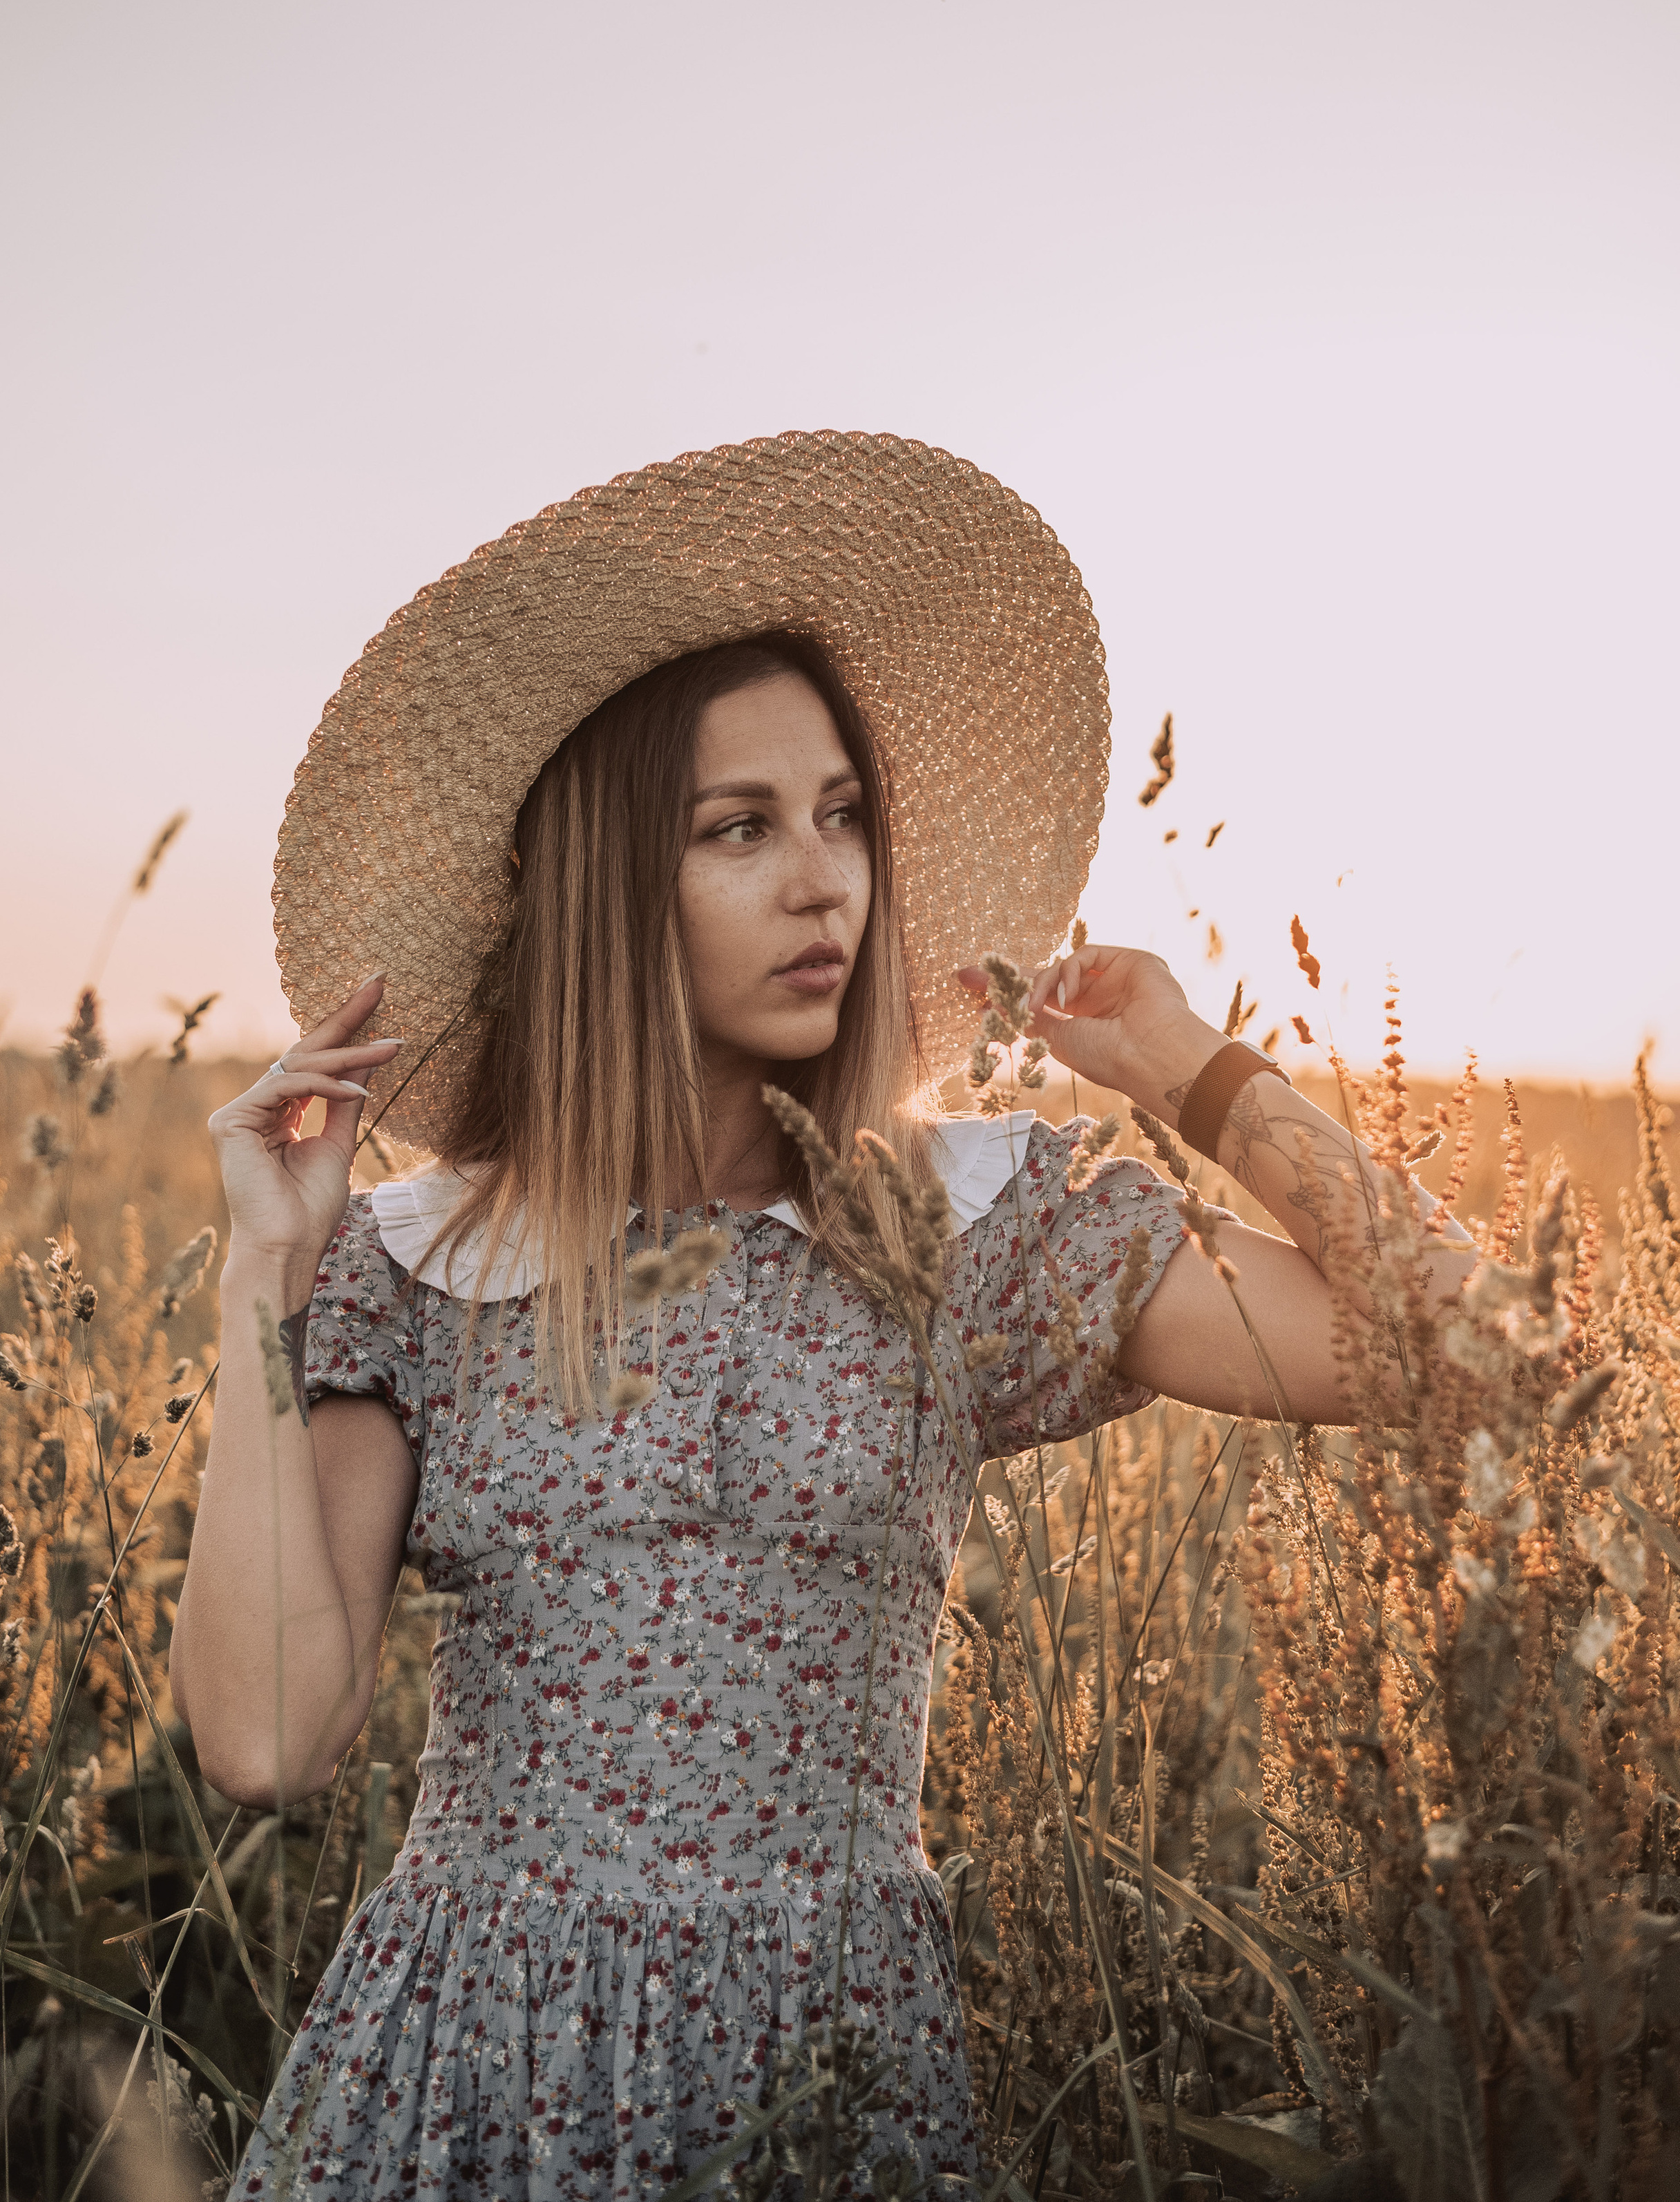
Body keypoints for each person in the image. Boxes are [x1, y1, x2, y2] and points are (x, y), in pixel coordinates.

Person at [169, 431, 1468, 2199]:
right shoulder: (428, 1268)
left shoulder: (960, 1230)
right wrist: (266, 1273)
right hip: (471, 2066)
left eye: (844, 814)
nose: (823, 881)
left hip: (829, 2074)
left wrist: (1184, 1063)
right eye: (740, 828)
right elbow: (260, 1740)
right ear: (611, 886)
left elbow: (1480, 1361)